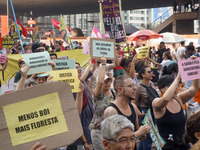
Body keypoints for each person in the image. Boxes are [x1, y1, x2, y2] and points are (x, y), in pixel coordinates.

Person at [152, 74, 200, 150]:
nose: (176, 88)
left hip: (183, 145)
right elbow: (165, 99)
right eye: (171, 86)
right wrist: (177, 78)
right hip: (168, 147)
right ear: (162, 89)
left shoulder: (179, 98)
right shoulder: (156, 102)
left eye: (176, 85)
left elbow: (194, 88)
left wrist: (196, 71)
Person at [104, 75, 150, 144]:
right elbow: (112, 141)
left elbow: (137, 137)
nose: (135, 88)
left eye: (135, 85)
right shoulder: (111, 111)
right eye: (130, 86)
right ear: (120, 90)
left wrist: (143, 134)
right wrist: (138, 133)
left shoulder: (133, 107)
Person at [89, 56, 115, 150]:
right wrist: (103, 64)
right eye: (105, 82)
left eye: (108, 81)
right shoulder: (97, 94)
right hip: (98, 131)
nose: (107, 83)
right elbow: (99, 83)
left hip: (111, 131)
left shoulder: (112, 93)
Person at [135, 66, 159, 150]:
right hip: (145, 113)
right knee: (147, 137)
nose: (151, 73)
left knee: (147, 137)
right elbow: (133, 102)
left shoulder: (151, 84)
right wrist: (139, 113)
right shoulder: (138, 87)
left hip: (153, 111)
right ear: (143, 75)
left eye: (151, 71)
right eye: (149, 72)